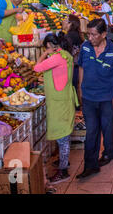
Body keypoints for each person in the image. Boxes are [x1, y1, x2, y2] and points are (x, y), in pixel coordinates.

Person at [76, 19, 113, 179]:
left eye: (94, 34)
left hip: (108, 97)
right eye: (88, 34)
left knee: (108, 127)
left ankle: (109, 153)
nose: (90, 38)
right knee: (91, 131)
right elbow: (82, 68)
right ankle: (90, 165)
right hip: (89, 96)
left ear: (104, 34)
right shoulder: (85, 47)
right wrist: (80, 89)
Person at [34, 33, 77, 184]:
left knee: (62, 138)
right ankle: (64, 162)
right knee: (65, 135)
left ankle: (63, 171)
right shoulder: (65, 54)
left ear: (50, 46)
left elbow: (36, 68)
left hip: (59, 103)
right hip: (65, 99)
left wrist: (44, 54)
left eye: (46, 48)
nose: (46, 51)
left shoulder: (56, 57)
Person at [62, 14, 84, 94]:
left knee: (72, 88)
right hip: (76, 66)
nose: (63, 21)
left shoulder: (70, 36)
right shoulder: (75, 34)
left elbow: (67, 52)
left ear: (70, 24)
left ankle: (75, 105)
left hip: (73, 67)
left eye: (65, 20)